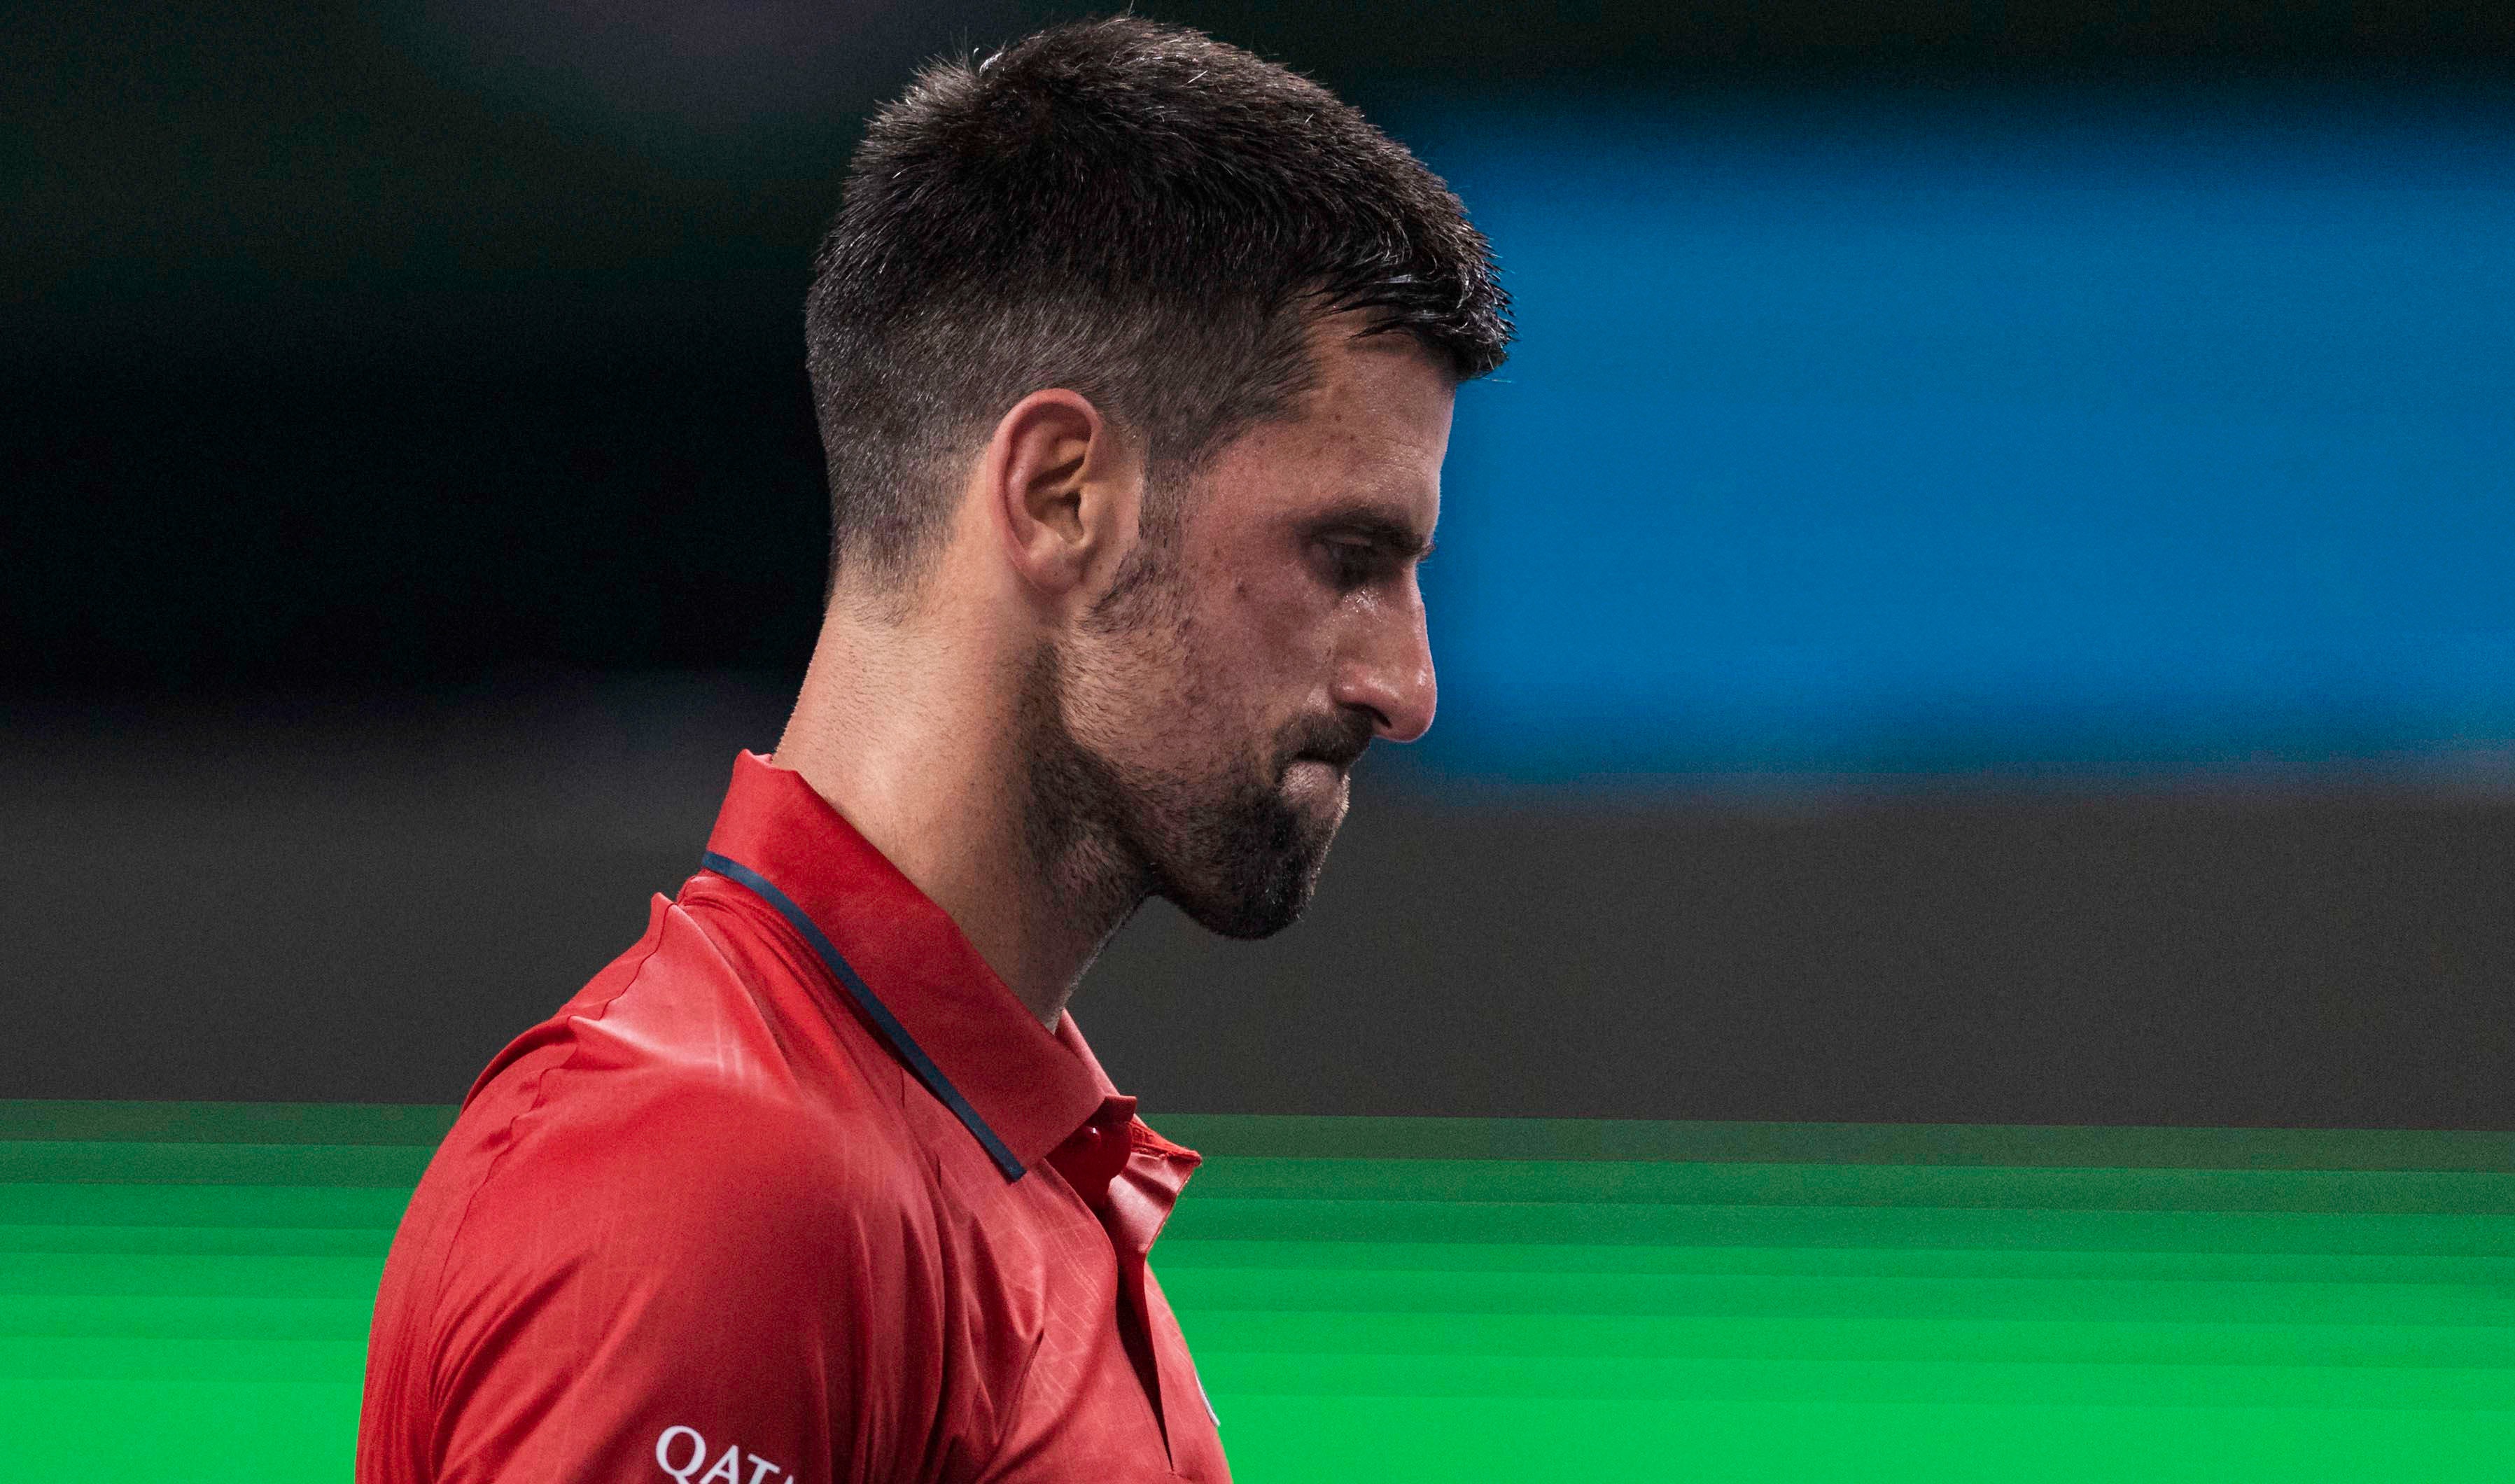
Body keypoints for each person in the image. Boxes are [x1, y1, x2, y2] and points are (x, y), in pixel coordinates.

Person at [355, 18, 1510, 1483]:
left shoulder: (983, 1177)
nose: (1404, 683)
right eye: (1347, 556)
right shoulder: (721, 1184)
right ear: (1058, 495)